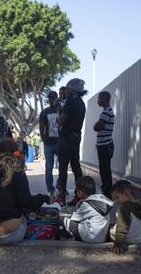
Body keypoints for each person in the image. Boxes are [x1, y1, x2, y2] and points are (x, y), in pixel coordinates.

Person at [0, 138, 50, 245]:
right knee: (24, 216)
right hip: (12, 235)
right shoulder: (17, 173)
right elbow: (27, 202)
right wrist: (44, 198)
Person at [57, 78, 87, 206]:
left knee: (62, 169)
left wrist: (58, 118)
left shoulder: (70, 102)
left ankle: (61, 198)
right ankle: (81, 196)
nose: (66, 91)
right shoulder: (81, 103)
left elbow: (61, 121)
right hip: (76, 139)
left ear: (74, 90)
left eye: (68, 88)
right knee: (76, 169)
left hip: (66, 139)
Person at [61, 176, 113, 243]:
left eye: (77, 191)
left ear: (81, 192)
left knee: (63, 218)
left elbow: (74, 218)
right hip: (102, 237)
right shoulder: (101, 198)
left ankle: (66, 239)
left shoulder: (87, 205)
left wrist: (78, 207)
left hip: (90, 238)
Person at [110, 180, 141, 254]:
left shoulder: (124, 208)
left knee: (108, 228)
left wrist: (117, 244)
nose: (116, 201)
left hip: (126, 240)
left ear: (125, 194)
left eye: (117, 197)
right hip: (138, 239)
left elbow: (122, 228)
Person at [93, 91, 115, 198]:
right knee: (104, 169)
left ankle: (107, 192)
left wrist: (95, 125)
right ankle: (106, 190)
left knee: (105, 169)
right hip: (104, 145)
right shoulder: (106, 112)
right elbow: (98, 125)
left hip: (105, 145)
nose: (98, 101)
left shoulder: (106, 112)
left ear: (104, 99)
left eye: (99, 99)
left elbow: (97, 127)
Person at [39, 91, 59, 198]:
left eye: (53, 98)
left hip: (60, 143)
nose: (51, 100)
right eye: (49, 98)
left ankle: (60, 187)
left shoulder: (61, 110)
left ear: (56, 98)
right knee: (49, 166)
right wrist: (44, 139)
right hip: (49, 144)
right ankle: (50, 189)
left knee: (63, 166)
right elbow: (41, 128)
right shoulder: (44, 112)